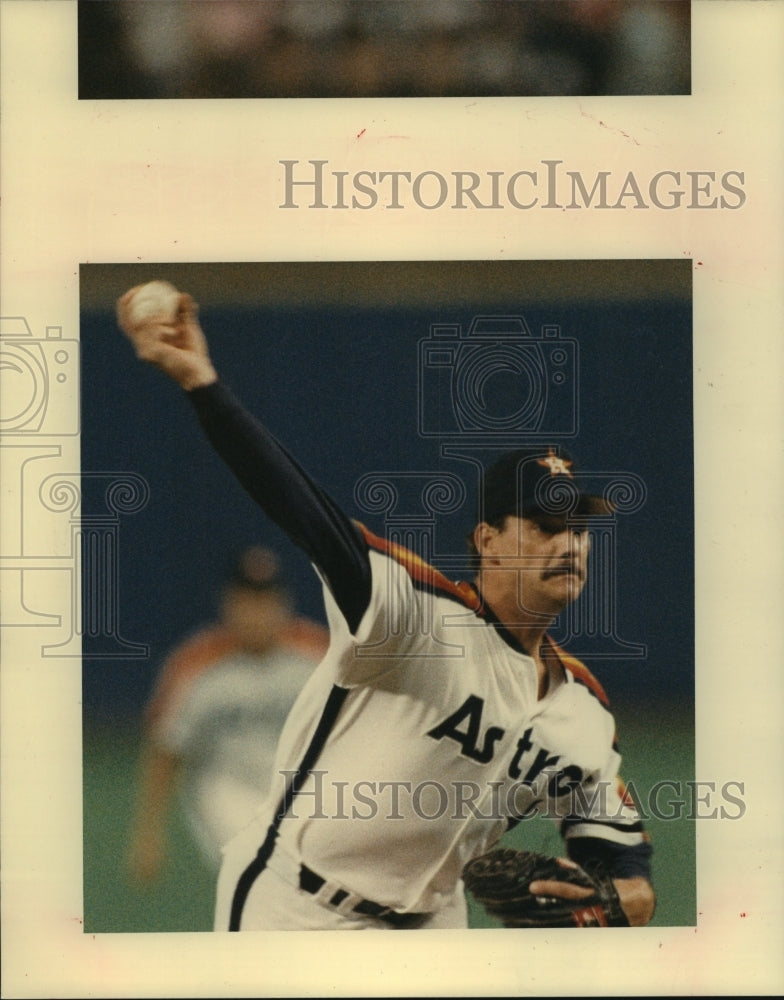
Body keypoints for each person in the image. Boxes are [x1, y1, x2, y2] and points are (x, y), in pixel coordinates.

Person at [117, 287, 656, 931]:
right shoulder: (414, 615)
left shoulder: (583, 712)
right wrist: (203, 384)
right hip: (295, 905)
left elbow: (628, 870)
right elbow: (303, 509)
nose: (568, 543)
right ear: (487, 541)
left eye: (579, 529)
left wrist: (613, 902)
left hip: (435, 924)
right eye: (543, 525)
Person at [126, 544, 328, 883]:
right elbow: (166, 749)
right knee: (260, 871)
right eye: (247, 600)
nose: (257, 613)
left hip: (301, 788)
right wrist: (148, 833)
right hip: (225, 787)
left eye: (265, 600)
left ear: (284, 603)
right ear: (228, 603)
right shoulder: (195, 664)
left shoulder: (320, 655)